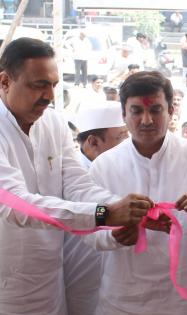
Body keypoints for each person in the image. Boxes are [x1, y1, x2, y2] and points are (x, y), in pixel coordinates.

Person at [0, 38, 151, 315]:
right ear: (5, 82)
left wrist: (128, 214)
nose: (49, 96)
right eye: (38, 85)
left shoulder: (53, 122)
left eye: (53, 85)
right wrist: (105, 214)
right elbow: (16, 205)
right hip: (8, 288)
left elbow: (77, 184)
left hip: (51, 279)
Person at [85, 71, 187, 315]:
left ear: (171, 111)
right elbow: (90, 228)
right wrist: (115, 236)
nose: (146, 120)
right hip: (123, 300)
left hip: (183, 300)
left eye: (155, 110)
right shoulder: (104, 165)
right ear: (123, 114)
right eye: (136, 111)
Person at [65, 102, 128, 314]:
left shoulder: (121, 169)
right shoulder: (72, 176)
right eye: (121, 137)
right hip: (80, 279)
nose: (129, 143)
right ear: (92, 142)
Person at [75, 101, 128, 169]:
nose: (129, 141)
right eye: (121, 136)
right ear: (94, 142)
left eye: (128, 133)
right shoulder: (74, 173)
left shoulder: (124, 162)